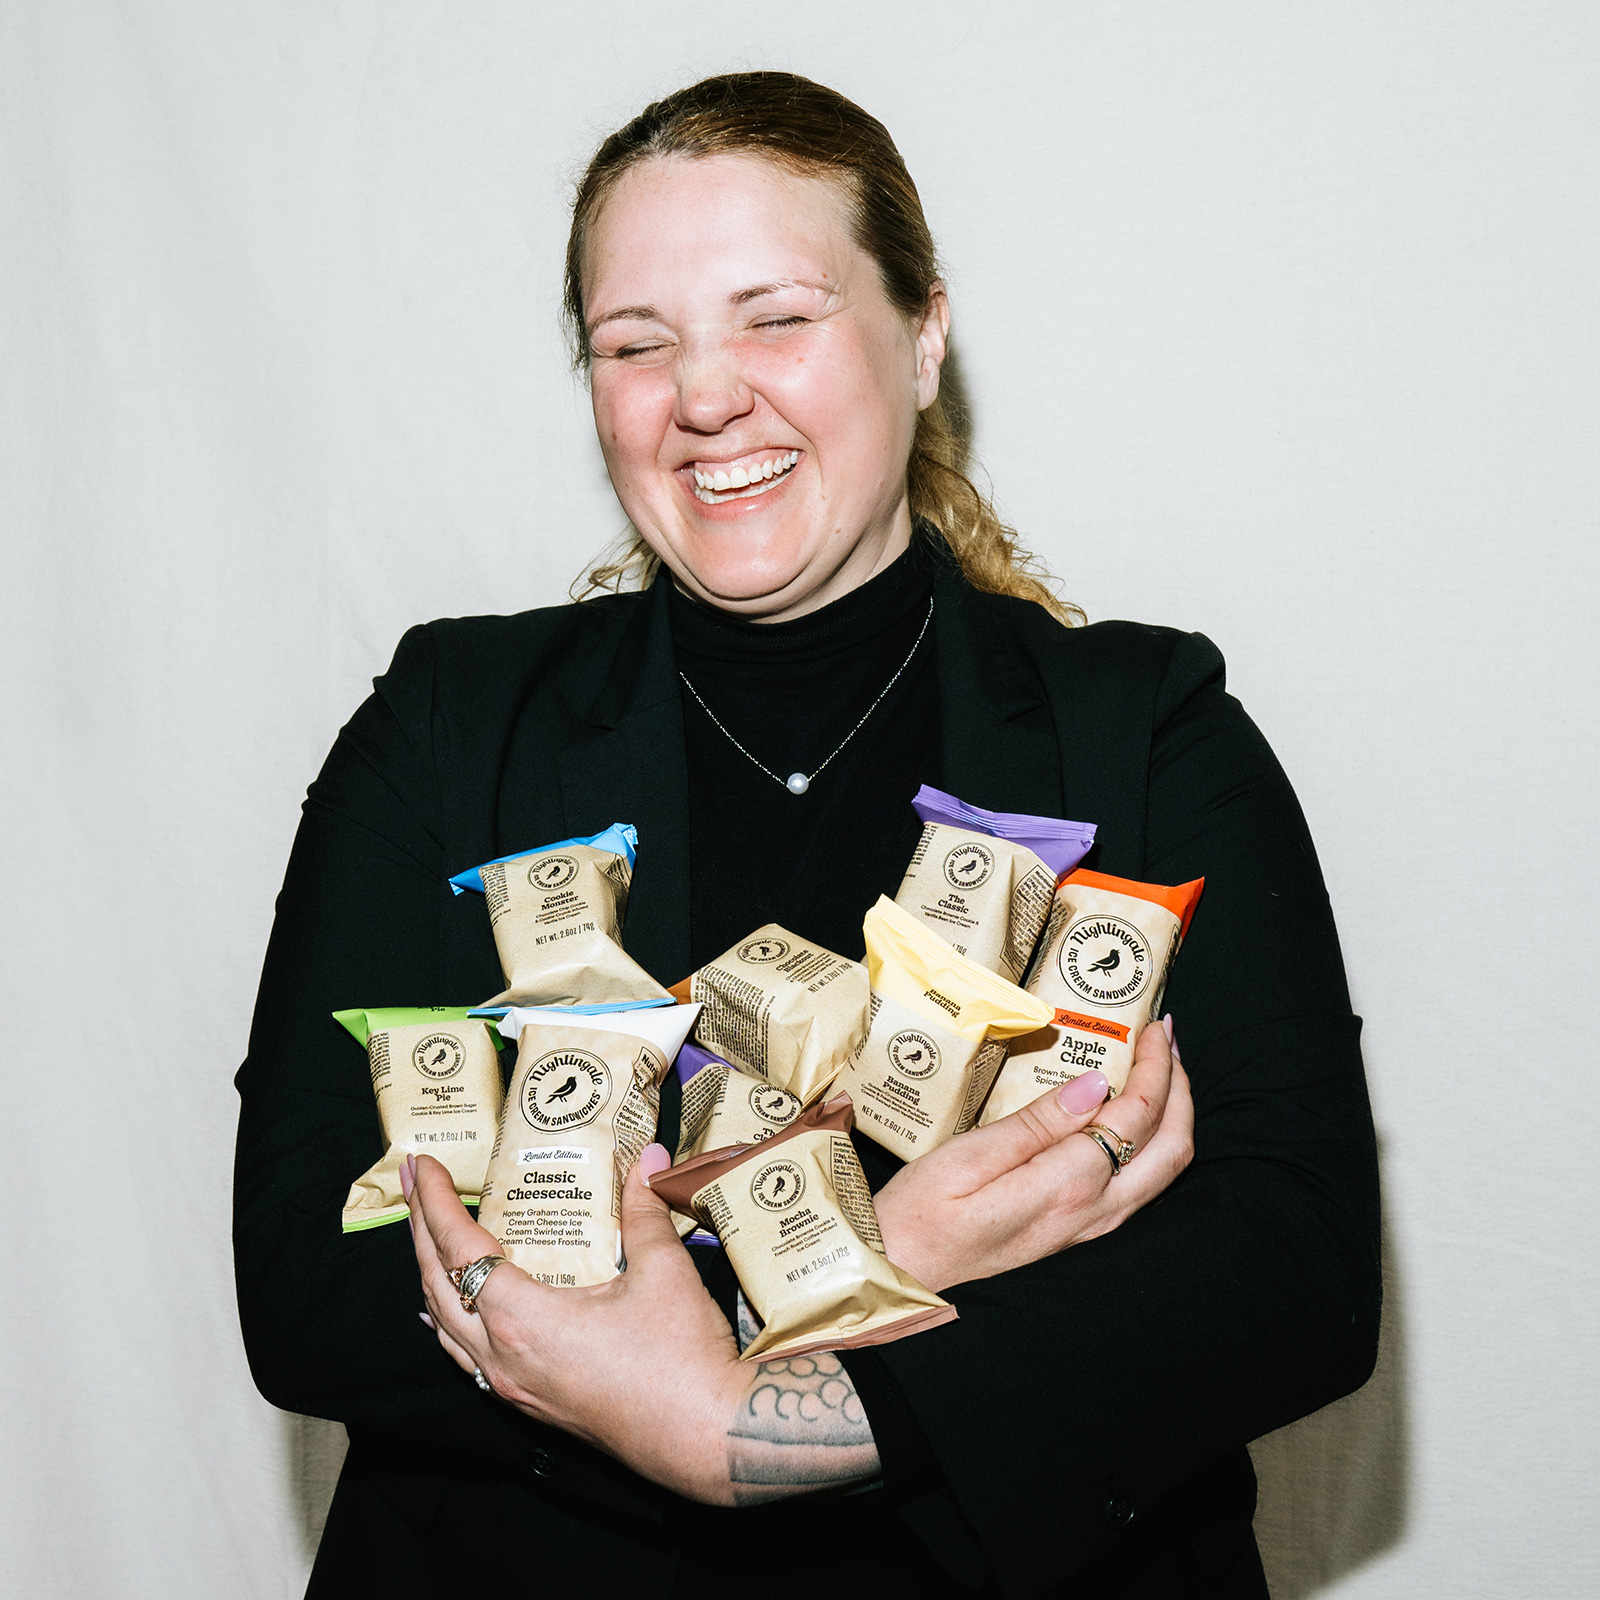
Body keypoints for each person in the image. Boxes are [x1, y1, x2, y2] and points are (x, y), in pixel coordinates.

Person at [233, 71, 1381, 1598]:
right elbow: (306, 1276)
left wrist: (749, 1416)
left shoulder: (1150, 731)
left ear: (922, 335)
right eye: (636, 343)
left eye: (776, 317)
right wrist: (870, 1251)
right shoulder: (450, 728)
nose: (705, 395)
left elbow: (1294, 1268)